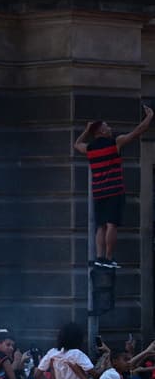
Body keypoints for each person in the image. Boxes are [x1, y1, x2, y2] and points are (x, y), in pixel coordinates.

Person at [73, 104, 152, 268]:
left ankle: (100, 258)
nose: (110, 128)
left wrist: (87, 131)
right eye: (106, 126)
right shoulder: (115, 143)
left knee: (101, 225)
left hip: (99, 192)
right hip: (114, 190)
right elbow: (138, 131)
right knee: (111, 224)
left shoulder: (90, 148)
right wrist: (150, 116)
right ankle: (108, 258)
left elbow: (76, 144)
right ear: (101, 131)